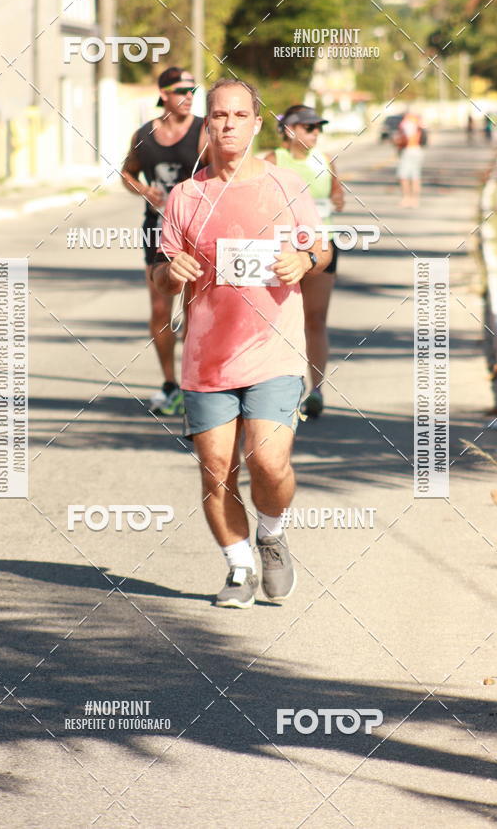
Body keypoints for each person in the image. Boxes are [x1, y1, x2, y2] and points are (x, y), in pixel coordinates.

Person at [152, 78, 331, 609]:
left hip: (273, 350)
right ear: (208, 123)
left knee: (270, 462)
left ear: (256, 124)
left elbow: (319, 248)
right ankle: (238, 567)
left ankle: (271, 533)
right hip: (207, 358)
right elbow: (162, 273)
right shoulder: (186, 196)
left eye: (238, 115)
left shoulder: (286, 187)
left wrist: (304, 260)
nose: (228, 124)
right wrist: (172, 271)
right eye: (218, 116)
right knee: (216, 470)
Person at [121, 66, 208, 415]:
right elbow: (126, 173)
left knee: (195, 310)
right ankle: (170, 384)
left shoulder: (204, 129)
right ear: (163, 94)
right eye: (180, 91)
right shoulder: (144, 134)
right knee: (160, 309)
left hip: (198, 229)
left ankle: (193, 384)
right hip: (158, 227)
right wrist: (144, 189)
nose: (188, 98)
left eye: (192, 91)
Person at [265, 104, 344, 417]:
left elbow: (338, 195)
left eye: (318, 127)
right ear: (289, 130)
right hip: (283, 248)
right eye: (309, 127)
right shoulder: (273, 161)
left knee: (315, 318)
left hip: (322, 247)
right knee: (278, 319)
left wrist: (337, 199)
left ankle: (317, 390)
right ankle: (277, 386)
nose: (315, 133)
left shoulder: (326, 160)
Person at [394, 110, 426, 208]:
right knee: (415, 176)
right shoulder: (419, 122)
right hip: (418, 150)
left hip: (408, 150)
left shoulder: (407, 123)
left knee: (403, 176)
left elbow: (406, 137)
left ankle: (406, 198)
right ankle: (415, 200)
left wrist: (397, 141)